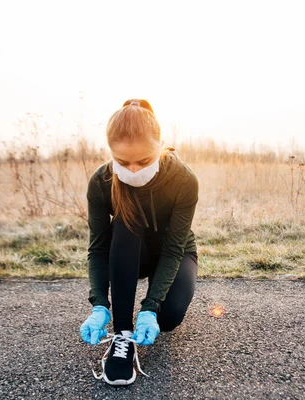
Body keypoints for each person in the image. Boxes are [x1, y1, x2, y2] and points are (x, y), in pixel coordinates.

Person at [79, 99, 199, 386]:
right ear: (110, 153)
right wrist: (99, 304)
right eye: (122, 161)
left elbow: (173, 248)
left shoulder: (184, 180)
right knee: (124, 222)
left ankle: (150, 311)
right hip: (126, 250)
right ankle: (122, 336)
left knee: (167, 318)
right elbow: (97, 249)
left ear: (160, 146)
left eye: (143, 161)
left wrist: (150, 305)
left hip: (173, 252)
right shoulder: (101, 181)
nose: (133, 170)